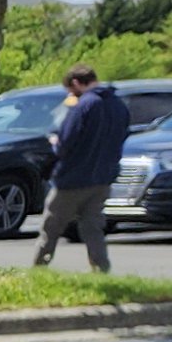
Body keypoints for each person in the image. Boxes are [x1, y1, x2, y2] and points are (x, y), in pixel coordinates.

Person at [37, 66, 133, 269]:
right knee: (93, 227)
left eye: (71, 91)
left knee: (51, 226)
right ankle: (101, 268)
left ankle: (39, 267)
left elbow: (65, 143)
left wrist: (55, 142)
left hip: (73, 178)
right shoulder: (119, 106)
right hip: (103, 178)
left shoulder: (83, 106)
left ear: (76, 84)